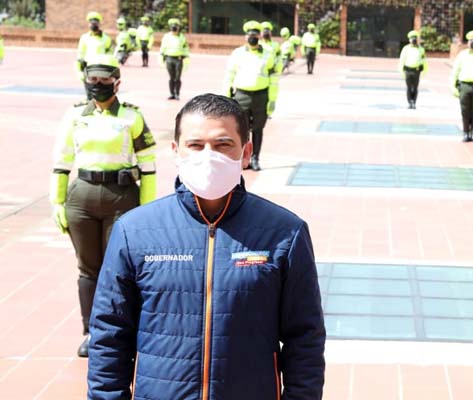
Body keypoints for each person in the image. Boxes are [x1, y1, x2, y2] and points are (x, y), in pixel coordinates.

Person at [87, 93, 325, 399]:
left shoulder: (284, 233)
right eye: (195, 145)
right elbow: (109, 334)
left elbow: (305, 337)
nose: (208, 155)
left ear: (245, 151)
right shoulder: (135, 231)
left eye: (223, 144)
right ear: (176, 150)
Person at [49, 55, 157, 358]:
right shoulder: (73, 117)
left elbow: (148, 167)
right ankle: (92, 332)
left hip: (121, 196)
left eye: (104, 81)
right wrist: (57, 202)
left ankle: (124, 330)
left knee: (121, 268)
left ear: (117, 83)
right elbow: (61, 162)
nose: (97, 86)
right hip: (81, 198)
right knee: (88, 269)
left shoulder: (132, 117)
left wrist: (146, 208)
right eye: (92, 80)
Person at [223, 20, 277, 172]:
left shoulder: (268, 54)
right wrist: (226, 96)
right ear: (245, 36)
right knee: (242, 129)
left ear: (259, 36)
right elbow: (229, 76)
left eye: (255, 34)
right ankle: (242, 159)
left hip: (261, 96)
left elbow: (274, 79)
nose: (252, 36)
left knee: (258, 129)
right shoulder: (237, 54)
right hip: (241, 95)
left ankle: (255, 158)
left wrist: (272, 100)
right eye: (250, 34)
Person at [76, 12, 114, 99]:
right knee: (89, 94)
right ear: (88, 24)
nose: (93, 24)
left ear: (99, 23)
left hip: (101, 69)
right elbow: (80, 53)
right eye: (91, 23)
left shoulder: (106, 38)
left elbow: (110, 54)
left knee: (101, 94)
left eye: (95, 22)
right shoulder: (84, 37)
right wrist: (80, 68)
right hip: (88, 68)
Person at [160, 18, 190, 100]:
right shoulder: (167, 36)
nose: (174, 28)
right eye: (173, 27)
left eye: (176, 26)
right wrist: (162, 57)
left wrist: (186, 56)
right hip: (169, 58)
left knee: (178, 78)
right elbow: (163, 47)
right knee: (171, 77)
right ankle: (171, 93)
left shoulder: (182, 37)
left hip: (178, 59)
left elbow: (186, 48)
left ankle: (177, 94)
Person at [398, 30, 427, 109]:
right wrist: (401, 70)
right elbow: (402, 60)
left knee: (415, 87)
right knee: (408, 87)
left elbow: (424, 60)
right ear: (409, 40)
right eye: (412, 38)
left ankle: (414, 102)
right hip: (407, 71)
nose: (413, 40)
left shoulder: (421, 49)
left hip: (416, 71)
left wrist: (425, 70)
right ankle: (409, 102)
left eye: (415, 38)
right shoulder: (406, 49)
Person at [261, 21, 284, 117]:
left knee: (272, 95)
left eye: (268, 30)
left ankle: (269, 113)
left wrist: (278, 70)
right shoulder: (257, 45)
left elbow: (279, 59)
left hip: (272, 74)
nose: (266, 32)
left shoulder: (276, 45)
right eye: (264, 30)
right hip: (260, 74)